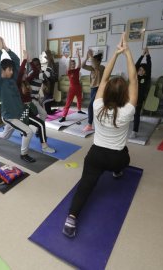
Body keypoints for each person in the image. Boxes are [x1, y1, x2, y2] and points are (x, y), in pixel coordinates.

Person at [63, 33, 137, 238]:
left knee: (85, 187)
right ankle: (117, 172)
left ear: (105, 94)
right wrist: (127, 52)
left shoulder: (96, 106)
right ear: (125, 96)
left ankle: (71, 219)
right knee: (126, 157)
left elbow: (103, 78)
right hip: (116, 158)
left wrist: (115, 53)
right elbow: (134, 80)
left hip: (95, 156)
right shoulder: (128, 110)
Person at [0, 36, 36, 163]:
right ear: (3, 71)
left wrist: (6, 48)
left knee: (5, 135)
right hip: (9, 116)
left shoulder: (13, 78)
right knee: (28, 132)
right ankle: (24, 154)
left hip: (17, 114)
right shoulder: (0, 82)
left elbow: (16, 60)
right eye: (9, 70)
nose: (11, 71)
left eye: (11, 69)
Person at [17, 50, 55, 153]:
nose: (38, 67)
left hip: (32, 101)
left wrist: (46, 85)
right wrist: (50, 60)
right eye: (36, 65)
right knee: (29, 123)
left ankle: (37, 130)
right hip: (28, 103)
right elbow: (46, 74)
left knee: (42, 115)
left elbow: (46, 77)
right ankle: (38, 139)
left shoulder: (35, 74)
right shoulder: (30, 76)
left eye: (39, 65)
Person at [130, 47, 151, 138]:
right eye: (139, 70)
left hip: (139, 99)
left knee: (137, 114)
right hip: (131, 97)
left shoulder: (146, 78)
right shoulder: (135, 76)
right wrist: (142, 55)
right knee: (130, 112)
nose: (140, 71)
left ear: (146, 72)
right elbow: (136, 65)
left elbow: (149, 65)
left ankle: (134, 131)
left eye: (143, 70)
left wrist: (148, 55)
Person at [81, 50, 105, 131]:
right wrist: (87, 57)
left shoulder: (101, 67)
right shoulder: (92, 68)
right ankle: (96, 123)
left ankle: (89, 124)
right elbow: (82, 66)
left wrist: (91, 56)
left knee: (90, 106)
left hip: (99, 89)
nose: (91, 63)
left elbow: (96, 67)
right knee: (94, 106)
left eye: (93, 61)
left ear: (98, 62)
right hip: (93, 89)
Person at [59, 50, 85, 123]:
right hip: (72, 89)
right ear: (70, 65)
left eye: (74, 64)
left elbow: (79, 64)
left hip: (78, 87)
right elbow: (68, 66)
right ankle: (64, 116)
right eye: (71, 64)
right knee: (68, 102)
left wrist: (79, 56)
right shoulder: (69, 71)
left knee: (79, 99)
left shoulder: (77, 70)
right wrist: (69, 58)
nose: (73, 65)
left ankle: (79, 110)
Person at [26, 57, 49, 122]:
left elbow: (44, 80)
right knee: (27, 116)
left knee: (43, 114)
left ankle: (39, 129)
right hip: (30, 100)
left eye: (38, 64)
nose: (37, 66)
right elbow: (26, 83)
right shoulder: (32, 74)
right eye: (35, 65)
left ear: (40, 64)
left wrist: (46, 86)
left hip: (35, 99)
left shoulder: (42, 73)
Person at [42, 50, 58, 115]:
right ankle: (48, 111)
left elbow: (53, 69)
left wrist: (50, 59)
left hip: (50, 80)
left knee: (50, 96)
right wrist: (49, 59)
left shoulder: (51, 69)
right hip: (47, 81)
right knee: (48, 96)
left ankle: (49, 110)